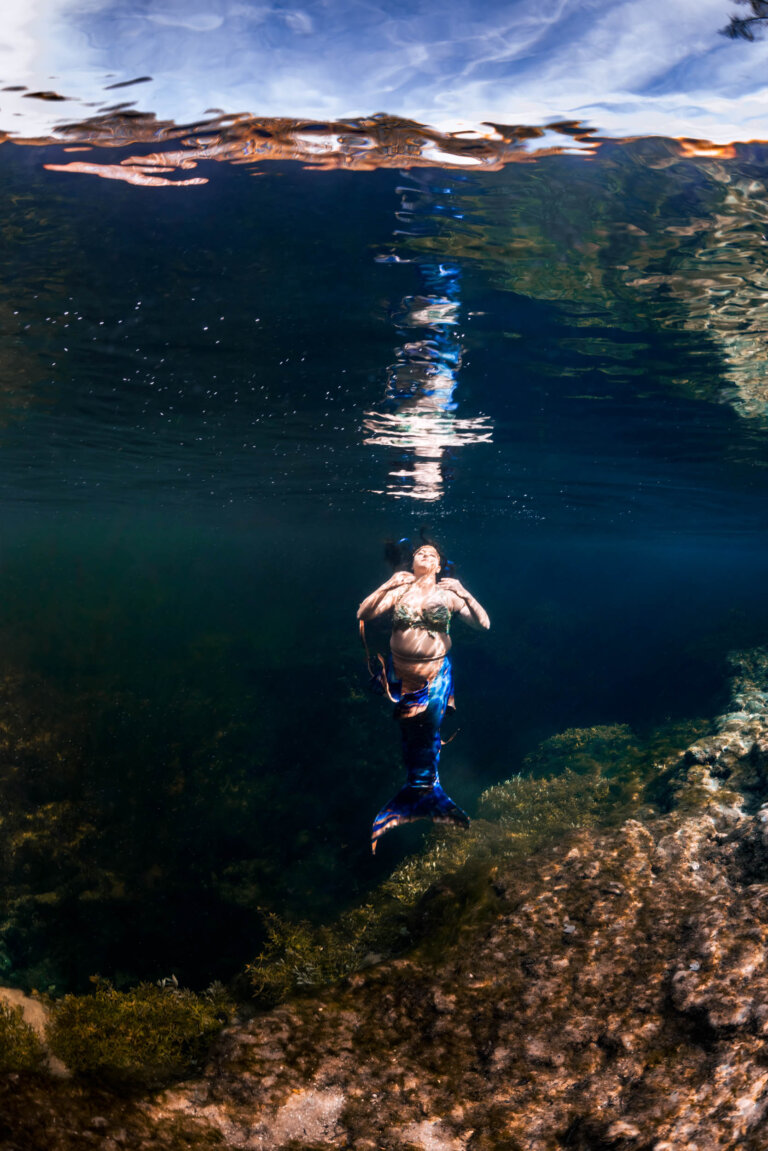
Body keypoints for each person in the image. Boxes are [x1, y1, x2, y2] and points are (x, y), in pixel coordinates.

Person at [357, 542, 490, 853]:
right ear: (413, 561)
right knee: (411, 734)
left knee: (428, 732)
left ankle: (426, 793)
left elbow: (484, 624)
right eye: (420, 552)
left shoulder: (449, 595)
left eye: (432, 553)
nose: (426, 554)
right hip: (402, 677)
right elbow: (363, 613)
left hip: (436, 675)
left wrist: (464, 592)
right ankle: (417, 795)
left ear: (439, 565)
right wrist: (389, 583)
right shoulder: (399, 590)